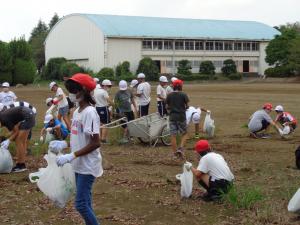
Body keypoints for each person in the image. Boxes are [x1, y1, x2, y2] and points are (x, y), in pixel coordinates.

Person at [56, 73, 103, 225]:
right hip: (78, 164)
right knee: (86, 202)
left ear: (83, 91)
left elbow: (96, 142)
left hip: (88, 165)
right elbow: (77, 138)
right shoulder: (77, 112)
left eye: (74, 90)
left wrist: (71, 156)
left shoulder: (90, 113)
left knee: (81, 204)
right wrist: (64, 145)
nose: (70, 93)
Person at [0, 103, 36, 172]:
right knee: (22, 141)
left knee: (18, 140)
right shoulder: (2, 117)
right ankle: (21, 163)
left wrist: (8, 141)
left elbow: (15, 131)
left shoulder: (4, 119)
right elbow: (15, 129)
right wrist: (8, 138)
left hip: (28, 116)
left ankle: (21, 165)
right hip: (28, 114)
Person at [165, 79, 189, 158]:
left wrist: (170, 110)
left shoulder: (169, 95)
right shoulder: (184, 95)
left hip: (172, 117)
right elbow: (187, 106)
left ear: (173, 86)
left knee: (173, 135)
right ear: (181, 86)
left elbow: (167, 107)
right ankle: (181, 148)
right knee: (184, 134)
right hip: (181, 117)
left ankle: (175, 154)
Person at [94, 79, 113, 143]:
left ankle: (99, 138)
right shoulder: (104, 92)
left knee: (100, 123)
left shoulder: (96, 90)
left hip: (97, 108)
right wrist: (114, 104)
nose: (109, 88)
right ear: (105, 86)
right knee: (106, 124)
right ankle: (103, 139)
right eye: (109, 86)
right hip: (103, 108)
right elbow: (108, 100)